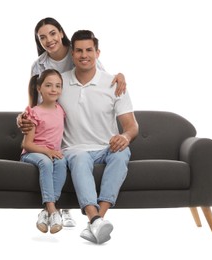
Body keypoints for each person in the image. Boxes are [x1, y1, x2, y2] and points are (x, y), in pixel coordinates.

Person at [21, 17, 129, 227]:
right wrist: (25, 116)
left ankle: (90, 218)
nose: (48, 40)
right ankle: (58, 208)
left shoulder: (78, 51)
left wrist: (120, 76)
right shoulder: (39, 64)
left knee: (68, 153)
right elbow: (35, 99)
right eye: (42, 37)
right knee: (68, 153)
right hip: (60, 130)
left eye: (52, 33)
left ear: (61, 33)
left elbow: (103, 79)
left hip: (84, 131)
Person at [58, 30, 139, 244]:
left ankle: (97, 219)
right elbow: (42, 110)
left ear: (97, 52)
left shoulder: (114, 83)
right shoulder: (60, 82)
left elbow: (131, 126)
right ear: (72, 54)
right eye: (79, 51)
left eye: (89, 50)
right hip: (74, 148)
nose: (84, 55)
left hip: (106, 147)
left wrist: (126, 136)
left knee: (122, 154)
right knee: (80, 157)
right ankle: (95, 219)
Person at [20, 69, 67, 234]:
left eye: (58, 86)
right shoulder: (34, 113)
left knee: (62, 162)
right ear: (39, 88)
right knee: (46, 162)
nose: (54, 89)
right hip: (32, 154)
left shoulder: (60, 110)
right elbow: (26, 144)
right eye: (48, 85)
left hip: (52, 153)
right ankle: (53, 210)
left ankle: (45, 212)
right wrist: (47, 151)